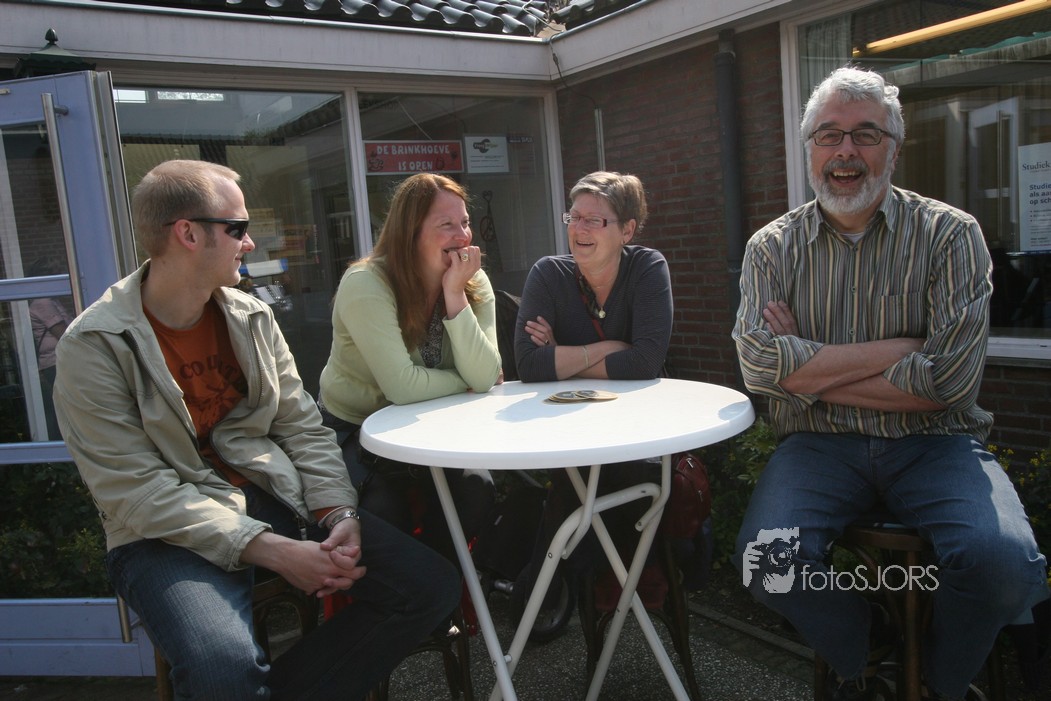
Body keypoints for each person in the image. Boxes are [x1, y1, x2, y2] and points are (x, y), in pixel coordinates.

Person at [53, 160, 460, 701]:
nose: (250, 243)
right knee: (222, 670)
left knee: (430, 587)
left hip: (272, 497)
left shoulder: (250, 315)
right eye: (238, 228)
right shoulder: (95, 345)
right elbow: (135, 492)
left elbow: (303, 427)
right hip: (159, 535)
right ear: (188, 233)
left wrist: (338, 512)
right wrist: (271, 550)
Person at [732, 66, 1049, 701]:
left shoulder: (950, 234)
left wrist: (805, 372)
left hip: (935, 441)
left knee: (1004, 568)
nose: (845, 151)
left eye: (866, 134)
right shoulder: (771, 248)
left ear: (894, 149)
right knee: (767, 565)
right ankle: (869, 641)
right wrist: (903, 350)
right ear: (810, 149)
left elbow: (950, 383)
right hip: (818, 446)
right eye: (829, 135)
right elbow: (758, 368)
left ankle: (934, 678)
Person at [318, 172, 501, 568]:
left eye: (465, 222)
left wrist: (455, 293)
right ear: (410, 232)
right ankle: (406, 596)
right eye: (446, 224)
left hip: (432, 425)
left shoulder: (472, 281)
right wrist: (466, 381)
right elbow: (401, 386)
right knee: (382, 511)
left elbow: (486, 376)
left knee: (477, 490)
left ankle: (440, 585)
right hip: (356, 427)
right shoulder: (367, 283)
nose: (463, 235)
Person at [512, 170, 673, 610]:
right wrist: (606, 348)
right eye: (574, 217)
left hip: (637, 429)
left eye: (594, 220)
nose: (578, 229)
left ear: (627, 231)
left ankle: (553, 591)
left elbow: (645, 363)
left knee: (590, 484)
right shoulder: (548, 274)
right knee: (574, 478)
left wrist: (561, 357)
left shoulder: (647, 268)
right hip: (568, 426)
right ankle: (586, 588)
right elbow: (529, 366)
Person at [27, 256, 74, 440]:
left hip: (60, 360)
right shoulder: (42, 302)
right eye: (56, 272)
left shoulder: (52, 300)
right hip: (54, 362)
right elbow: (63, 333)